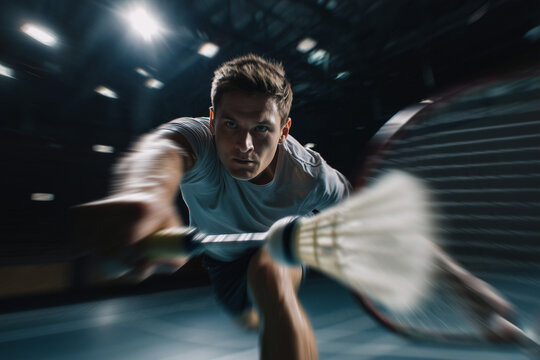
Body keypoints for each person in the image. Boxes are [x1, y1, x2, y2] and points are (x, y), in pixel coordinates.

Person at [73, 54, 351, 360]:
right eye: (231, 124)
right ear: (212, 120)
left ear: (284, 130)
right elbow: (163, 149)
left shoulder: (310, 175)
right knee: (250, 319)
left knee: (271, 279)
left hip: (276, 250)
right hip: (221, 264)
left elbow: (355, 207)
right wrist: (146, 196)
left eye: (261, 129)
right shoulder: (198, 139)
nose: (244, 145)